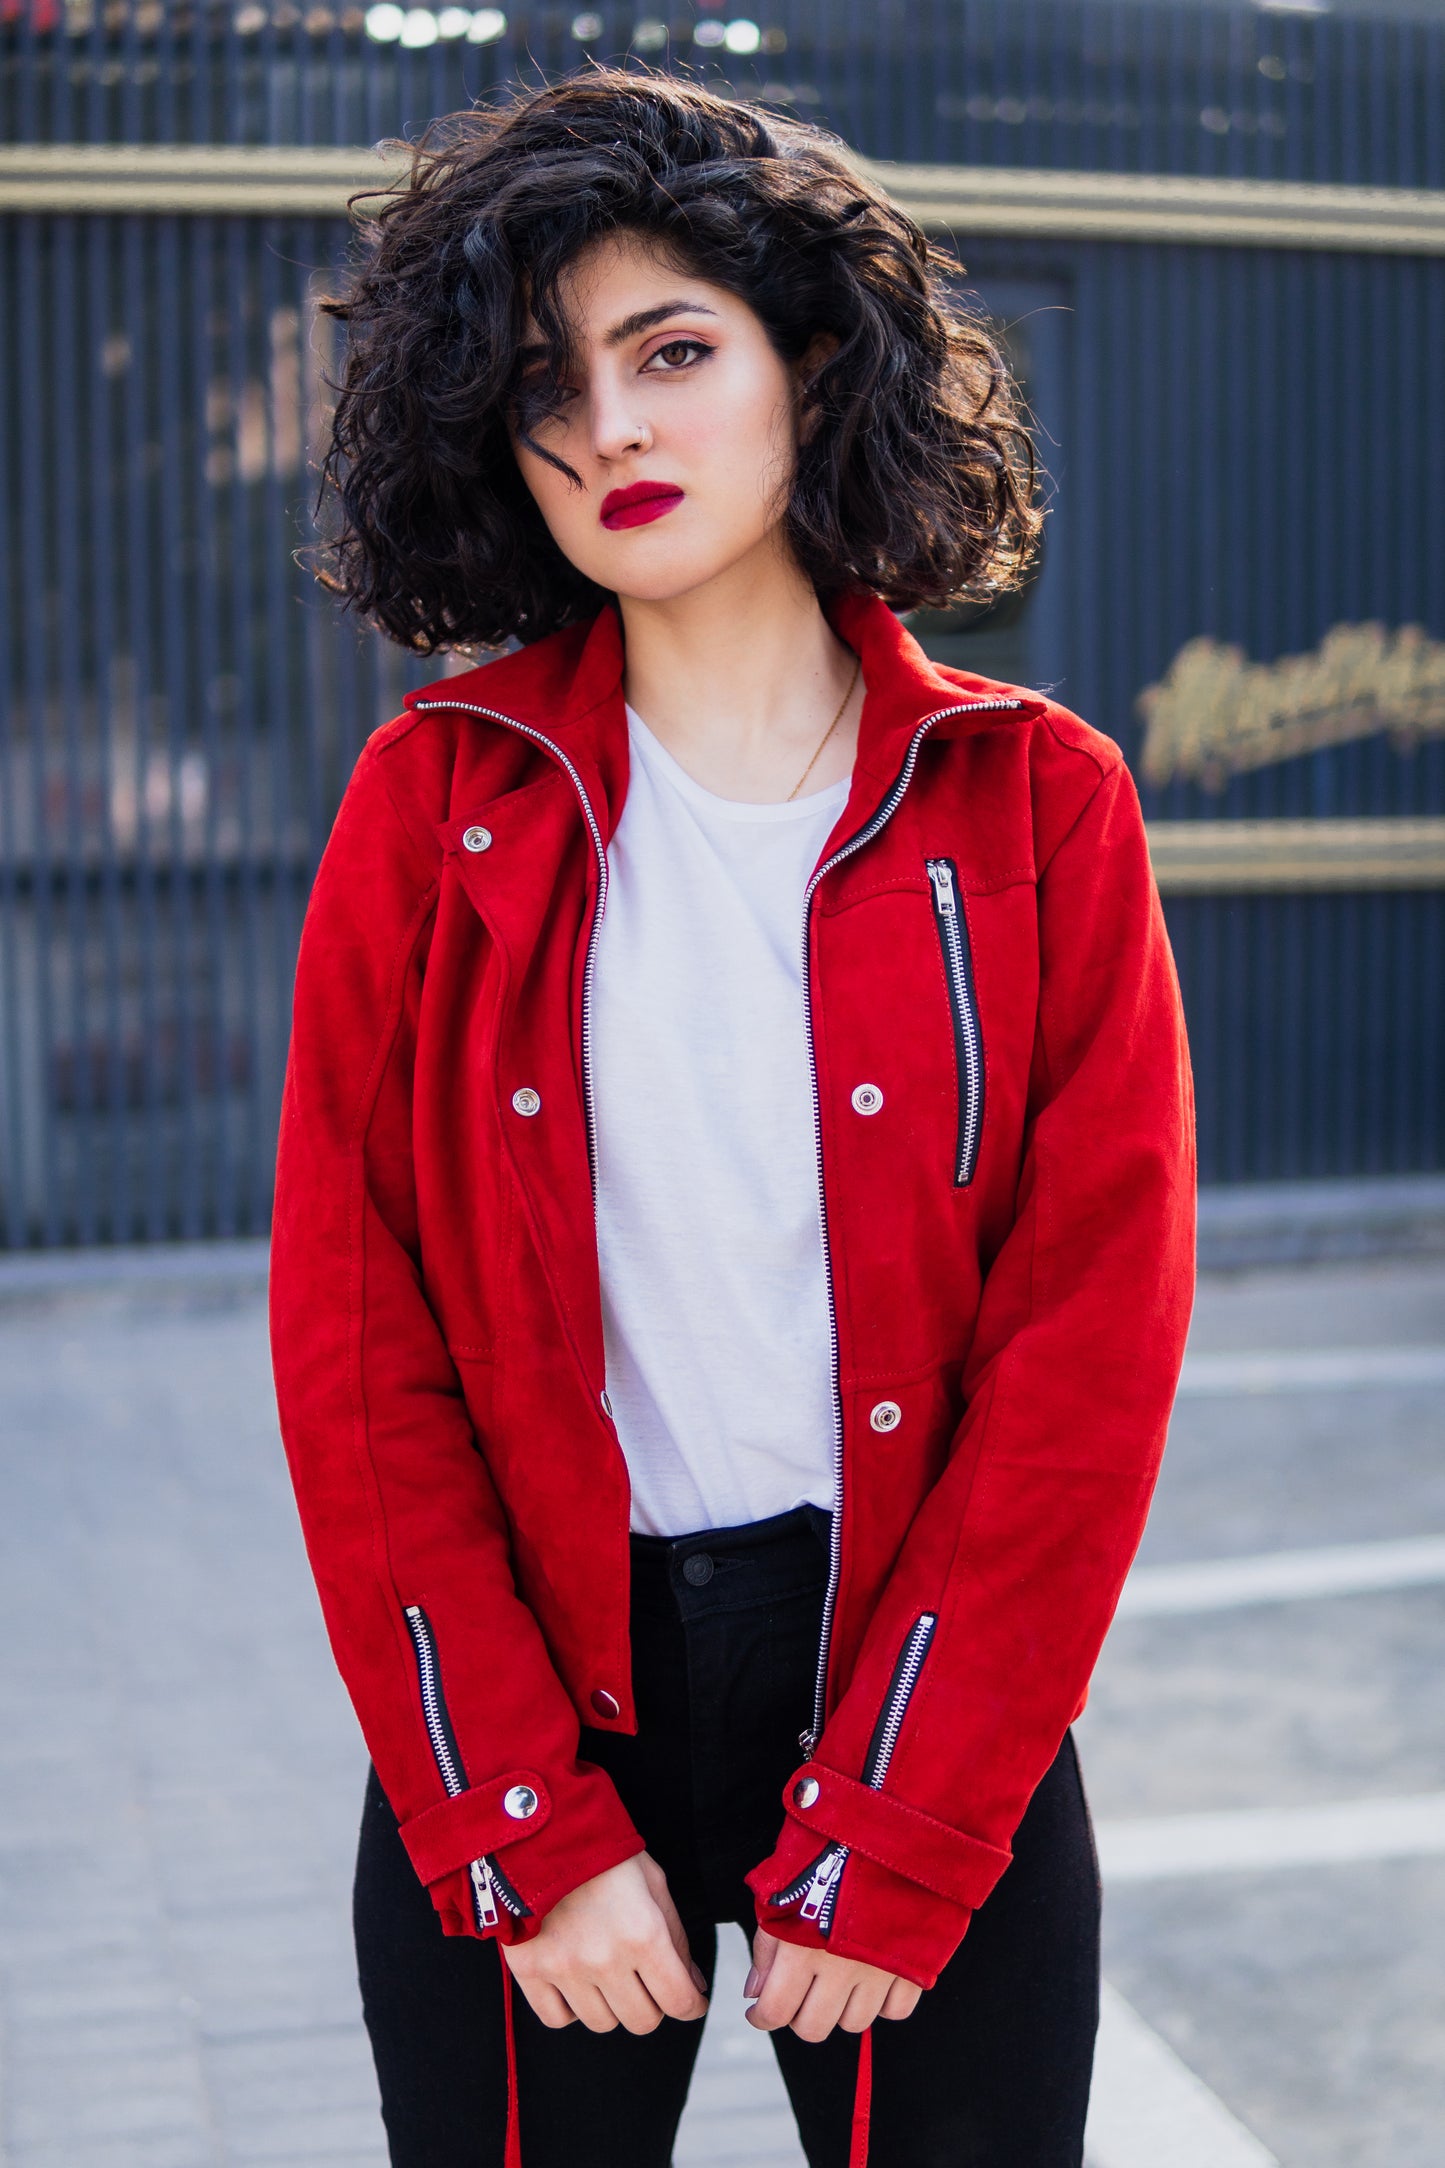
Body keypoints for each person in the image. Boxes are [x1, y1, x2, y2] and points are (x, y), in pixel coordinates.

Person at [268, 69, 1195, 2168]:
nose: (608, 427)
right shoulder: (435, 807)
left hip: (912, 1700)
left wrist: (912, 1810)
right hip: (540, 1710)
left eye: (672, 350)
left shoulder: (1039, 809)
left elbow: (1087, 1353)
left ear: (814, 367)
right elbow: (352, 1341)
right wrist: (513, 1812)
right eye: (543, 387)